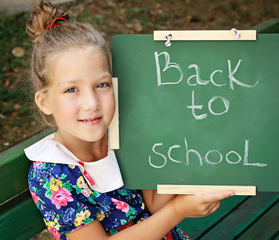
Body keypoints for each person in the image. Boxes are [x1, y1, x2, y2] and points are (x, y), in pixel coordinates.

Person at [25, 1, 234, 239]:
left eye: (101, 85)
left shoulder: (124, 135)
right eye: (72, 90)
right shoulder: (51, 174)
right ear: (44, 102)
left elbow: (154, 203)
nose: (91, 103)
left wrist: (186, 141)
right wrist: (179, 210)